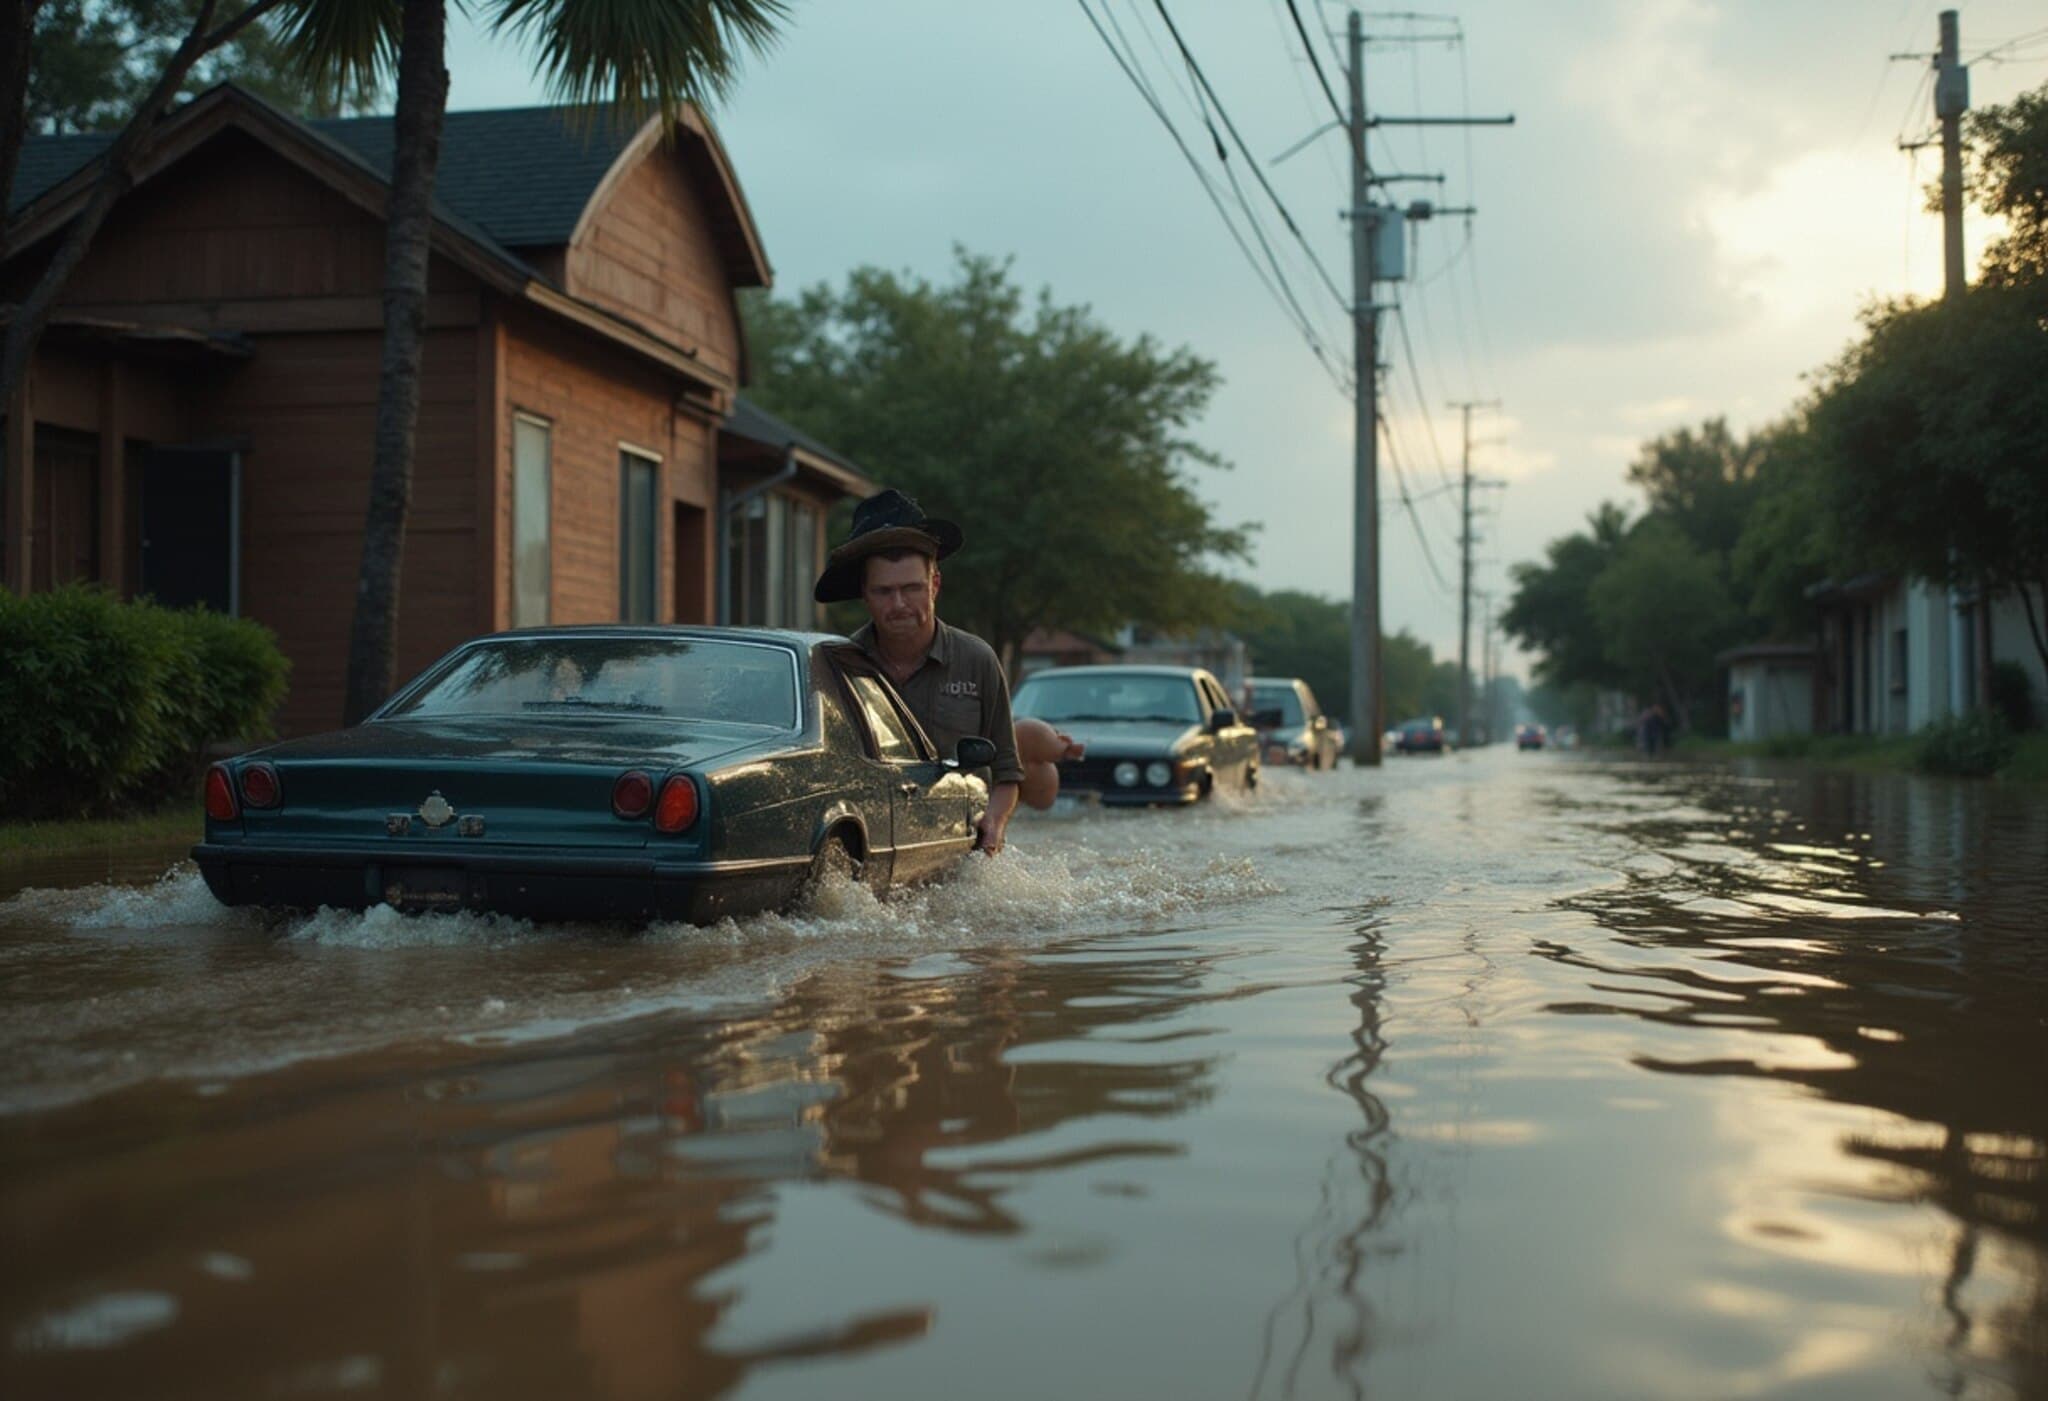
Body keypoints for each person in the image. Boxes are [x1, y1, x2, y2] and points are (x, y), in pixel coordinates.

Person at [814, 490, 1080, 856]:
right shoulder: (840, 666)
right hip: (876, 845)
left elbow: (1006, 775)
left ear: (935, 585)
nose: (899, 604)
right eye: (884, 591)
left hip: (958, 843)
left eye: (912, 589)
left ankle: (1047, 748)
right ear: (865, 594)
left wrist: (994, 823)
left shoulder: (977, 659)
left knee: (1032, 754)